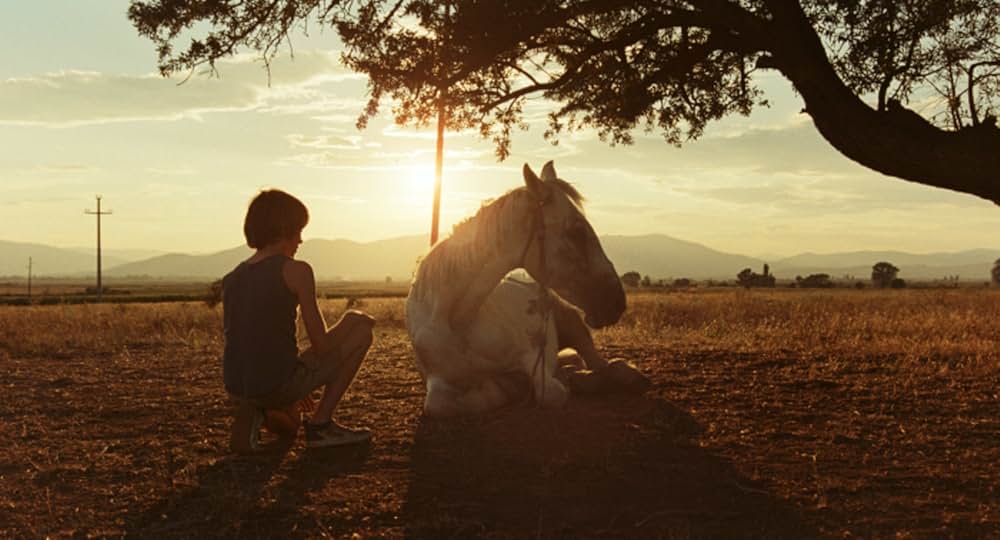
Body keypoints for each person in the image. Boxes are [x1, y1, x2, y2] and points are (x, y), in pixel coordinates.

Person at [222, 189, 375, 453]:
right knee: (362, 332)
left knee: (292, 425)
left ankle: (258, 410)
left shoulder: (232, 277)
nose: (301, 240)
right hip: (275, 383)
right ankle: (321, 425)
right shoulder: (297, 270)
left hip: (237, 385)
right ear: (285, 230)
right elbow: (323, 346)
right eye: (299, 231)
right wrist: (351, 319)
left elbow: (248, 338)